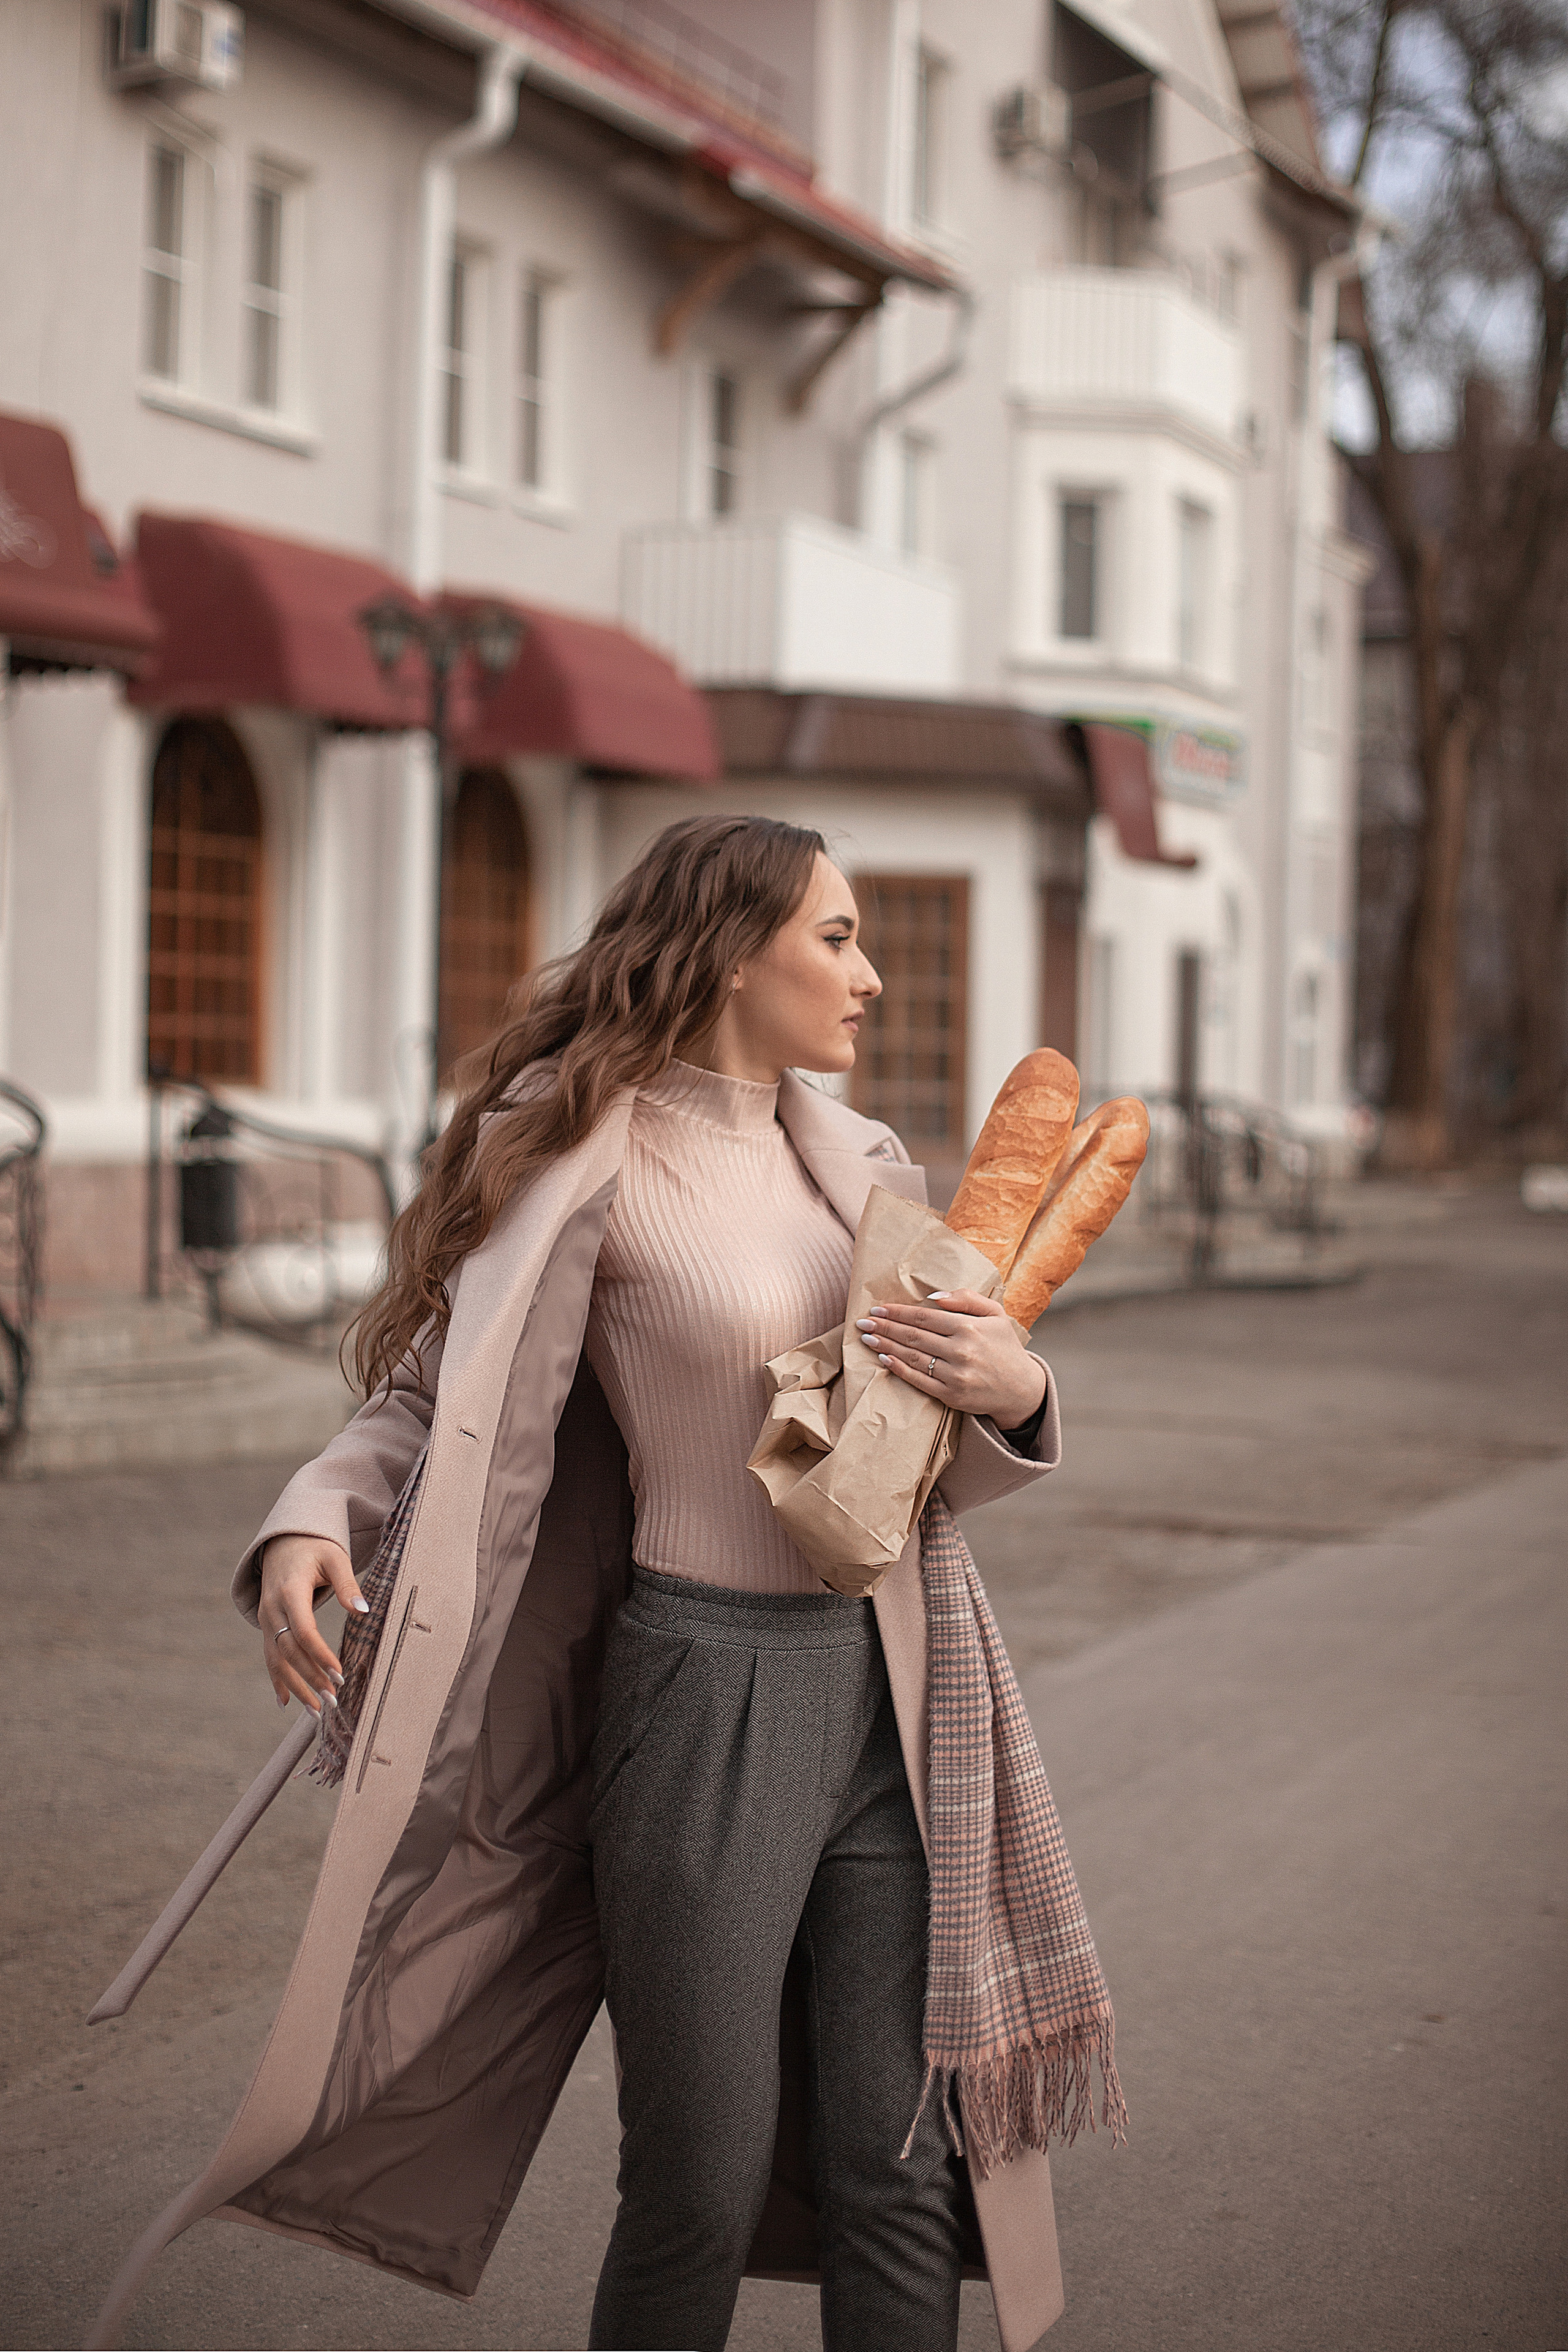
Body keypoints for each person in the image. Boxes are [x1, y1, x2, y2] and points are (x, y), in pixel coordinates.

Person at [91, 816, 1106, 2352]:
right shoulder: (579, 1155)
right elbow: (439, 1403)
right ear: (725, 949)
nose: (871, 977)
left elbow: (903, 1474)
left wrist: (1012, 1383)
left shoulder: (869, 1171)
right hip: (699, 1694)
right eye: (835, 940)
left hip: (898, 1694)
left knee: (895, 2171)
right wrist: (313, 1517)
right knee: (693, 2176)